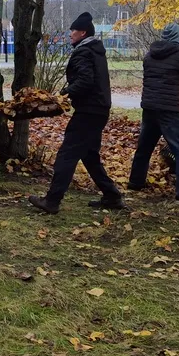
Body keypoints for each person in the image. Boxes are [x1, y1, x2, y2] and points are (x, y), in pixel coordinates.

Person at [29, 12, 124, 214]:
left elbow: (85, 81)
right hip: (98, 109)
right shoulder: (95, 50)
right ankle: (112, 196)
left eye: (73, 30)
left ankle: (52, 201)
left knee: (67, 154)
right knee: (89, 155)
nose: (70, 34)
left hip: (89, 111)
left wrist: (64, 93)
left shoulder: (84, 52)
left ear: (82, 32)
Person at [128, 23, 179, 206]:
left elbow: (167, 80)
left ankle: (135, 182)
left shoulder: (149, 56)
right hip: (170, 110)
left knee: (144, 147)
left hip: (149, 108)